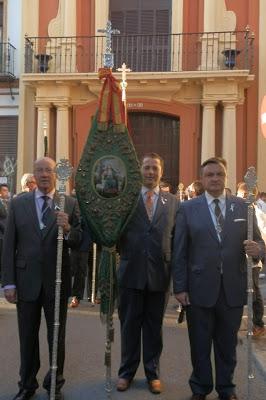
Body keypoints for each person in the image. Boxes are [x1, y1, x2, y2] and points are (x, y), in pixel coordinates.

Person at [172, 157, 265, 400]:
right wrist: (179, 287)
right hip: (199, 288)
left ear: (226, 177)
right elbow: (179, 251)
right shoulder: (188, 209)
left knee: (227, 346)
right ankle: (200, 388)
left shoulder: (244, 207)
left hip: (232, 289)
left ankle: (226, 388)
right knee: (200, 345)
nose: (214, 178)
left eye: (219, 174)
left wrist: (259, 250)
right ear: (202, 179)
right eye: (209, 175)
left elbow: (260, 243)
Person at [1, 157, 81, 400]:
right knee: (27, 335)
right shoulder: (18, 203)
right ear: (33, 175)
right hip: (25, 281)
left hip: (56, 281)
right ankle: (27, 384)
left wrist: (68, 229)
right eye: (40, 170)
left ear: (56, 175)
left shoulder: (69, 202)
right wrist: (9, 282)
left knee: (56, 335)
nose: (45, 174)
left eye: (49, 170)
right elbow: (9, 245)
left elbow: (81, 241)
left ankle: (55, 382)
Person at [116, 152, 179, 394]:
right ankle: (126, 372)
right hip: (130, 273)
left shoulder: (173, 202)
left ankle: (153, 373)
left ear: (161, 172)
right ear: (140, 170)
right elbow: (116, 235)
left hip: (159, 275)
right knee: (129, 325)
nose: (151, 172)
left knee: (154, 327)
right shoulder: (126, 199)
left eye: (155, 168)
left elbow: (176, 240)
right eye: (147, 168)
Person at [236, 181, 266, 337]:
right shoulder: (235, 210)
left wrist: (258, 250)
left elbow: (262, 238)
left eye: (249, 195)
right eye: (242, 195)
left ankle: (258, 323)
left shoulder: (260, 214)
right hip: (237, 260)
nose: (245, 198)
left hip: (253, 261)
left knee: (254, 292)